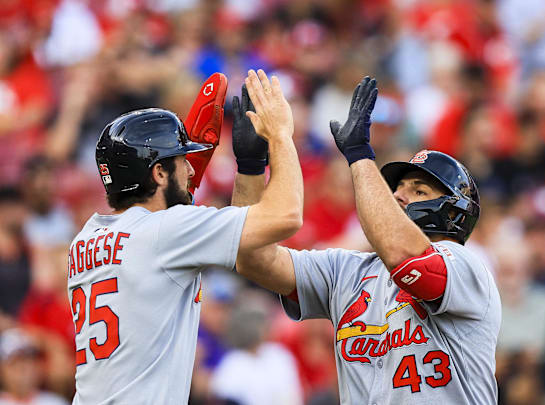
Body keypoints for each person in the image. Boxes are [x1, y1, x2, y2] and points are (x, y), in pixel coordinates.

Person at [236, 76, 501, 404]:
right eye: (397, 189)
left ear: (452, 212)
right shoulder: (347, 270)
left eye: (418, 190)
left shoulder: (465, 266)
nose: (399, 196)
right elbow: (252, 256)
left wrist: (360, 156)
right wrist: (250, 168)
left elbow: (404, 258)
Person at [67, 69, 303, 404]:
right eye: (182, 161)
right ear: (158, 172)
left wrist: (249, 167)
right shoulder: (166, 232)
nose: (192, 169)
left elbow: (241, 242)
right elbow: (286, 216)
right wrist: (281, 136)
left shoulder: (84, 239)